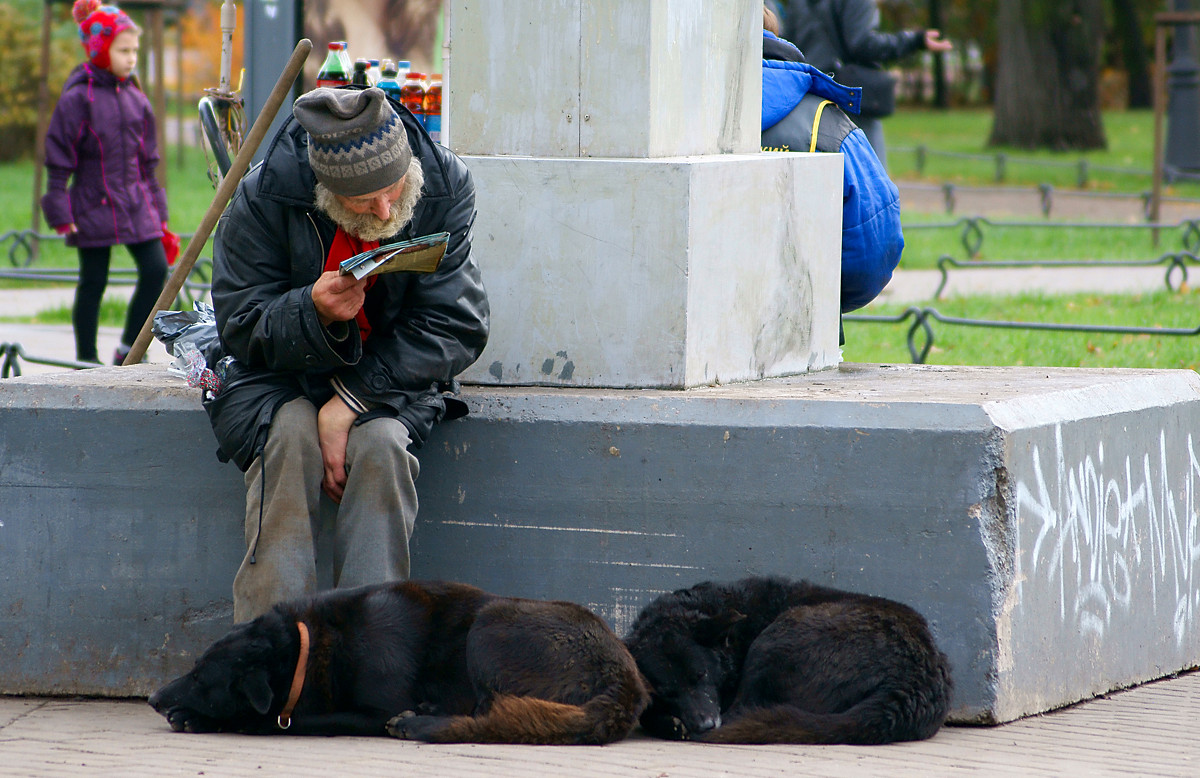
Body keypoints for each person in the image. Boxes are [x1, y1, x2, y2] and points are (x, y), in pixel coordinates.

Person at [204, 86, 489, 622]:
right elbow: (240, 327)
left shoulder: (444, 184)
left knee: (382, 447)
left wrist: (351, 400)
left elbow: (457, 321)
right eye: (362, 203)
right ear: (325, 193)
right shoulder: (266, 195)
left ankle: (371, 651)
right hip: (277, 376)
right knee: (287, 441)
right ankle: (274, 651)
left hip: (388, 375)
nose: (385, 210)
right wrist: (310, 310)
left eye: (394, 189)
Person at [42, 0, 173, 365]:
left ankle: (129, 347)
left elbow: (149, 162)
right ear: (100, 50)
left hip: (134, 201)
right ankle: (86, 359)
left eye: (135, 50)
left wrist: (158, 213)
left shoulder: (136, 97)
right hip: (91, 203)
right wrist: (59, 207)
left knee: (155, 269)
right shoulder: (76, 99)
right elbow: (58, 160)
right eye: (123, 50)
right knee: (93, 282)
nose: (131, 58)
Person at [761, 8, 903, 335]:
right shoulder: (831, 127)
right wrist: (827, 297)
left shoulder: (666, 117)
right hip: (801, 331)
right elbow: (874, 247)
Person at [784, 0, 953, 168]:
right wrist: (914, 40)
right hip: (849, 96)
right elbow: (863, 44)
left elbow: (788, 44)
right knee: (872, 178)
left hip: (809, 97)